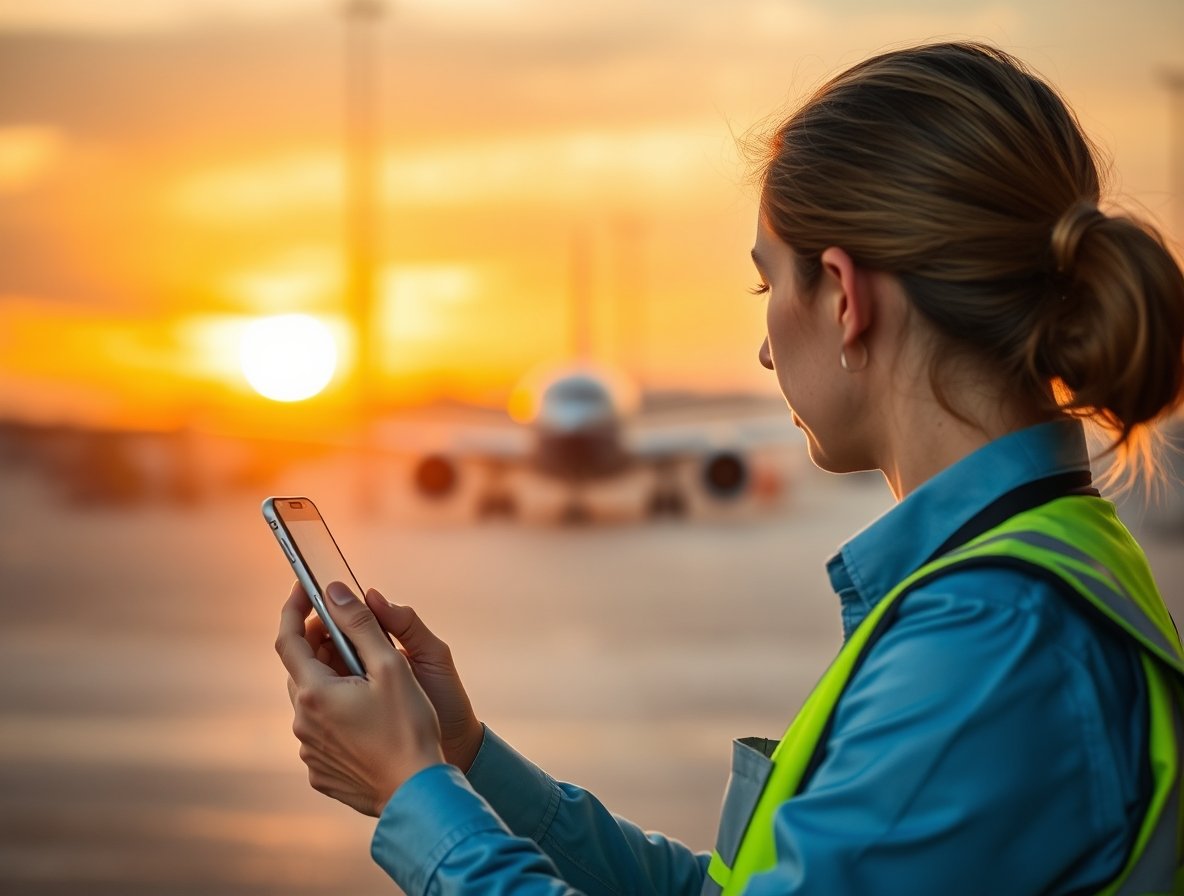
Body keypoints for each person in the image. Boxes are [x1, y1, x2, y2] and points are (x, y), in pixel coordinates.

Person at [274, 42, 1184, 895]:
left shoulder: (992, 643)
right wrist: (462, 759)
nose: (760, 348)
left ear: (844, 296)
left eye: (766, 285)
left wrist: (415, 796)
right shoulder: (1023, 582)